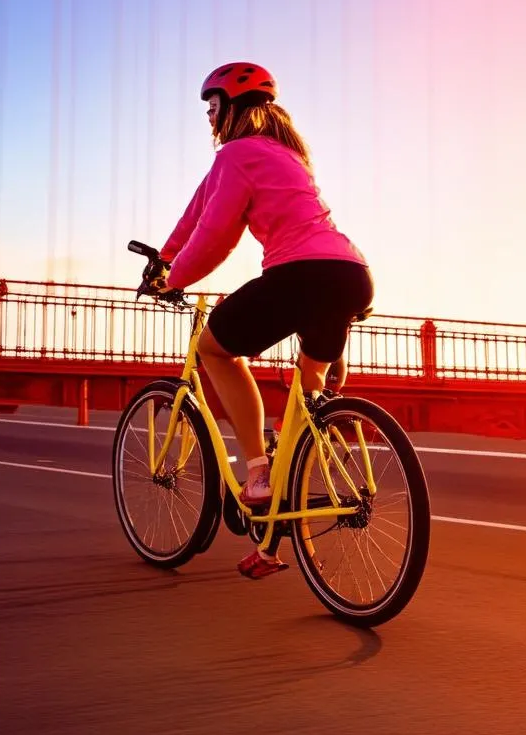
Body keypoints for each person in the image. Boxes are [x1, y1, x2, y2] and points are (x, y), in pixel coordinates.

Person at [153, 61, 373, 579]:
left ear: (231, 107)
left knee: (214, 350)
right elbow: (198, 209)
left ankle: (257, 475)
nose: (208, 115)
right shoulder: (285, 154)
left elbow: (215, 232)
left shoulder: (237, 152)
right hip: (351, 273)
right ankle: (275, 532)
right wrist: (165, 252)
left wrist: (174, 279)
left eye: (212, 105)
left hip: (300, 273)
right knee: (307, 395)